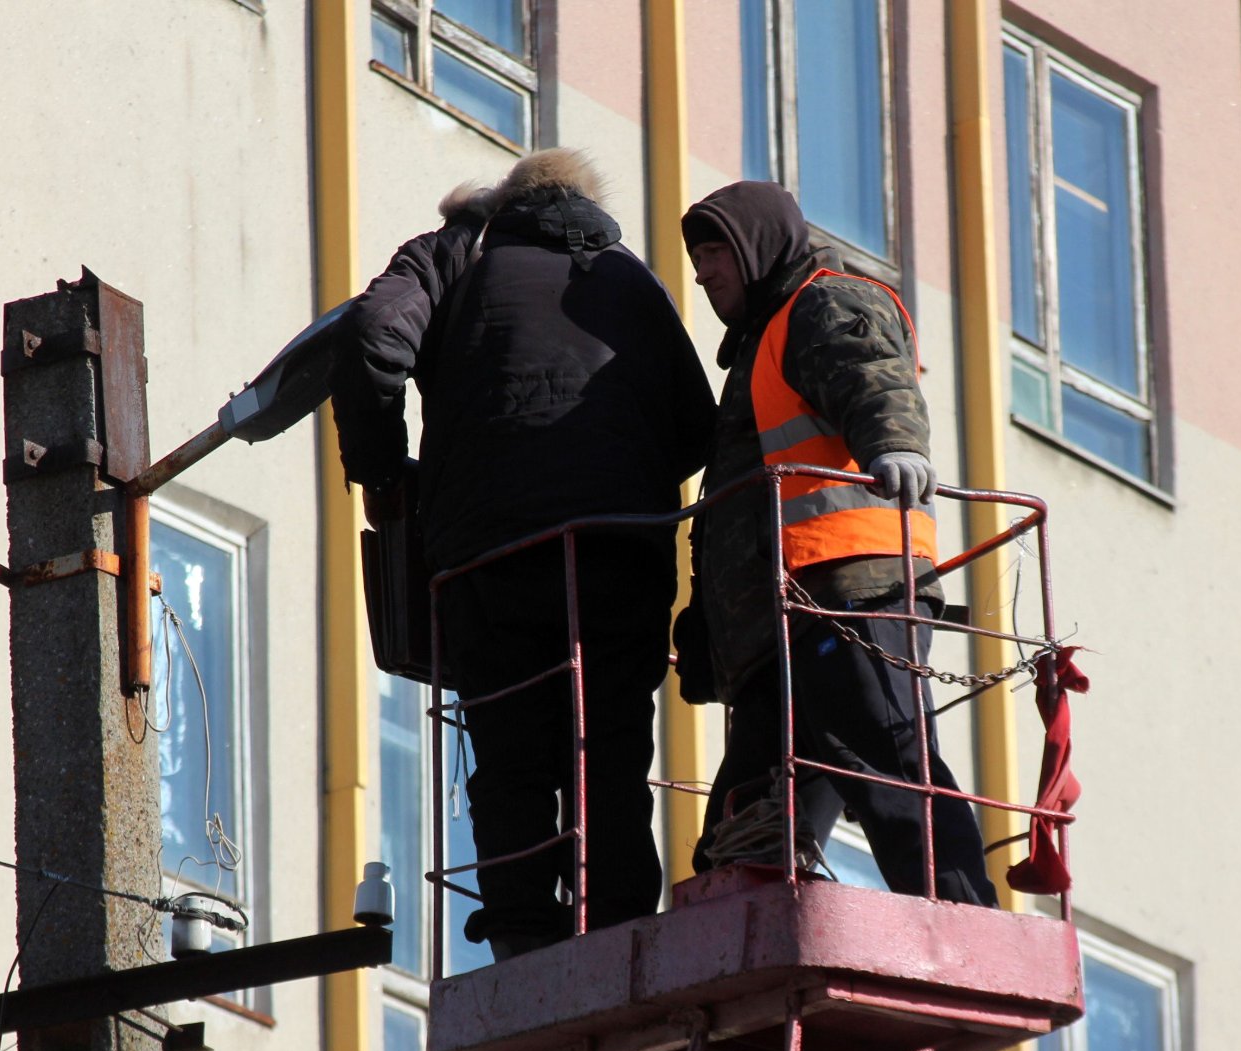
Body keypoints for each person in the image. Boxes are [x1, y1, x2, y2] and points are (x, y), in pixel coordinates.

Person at [330, 149, 715, 959]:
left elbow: (373, 334)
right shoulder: (632, 281)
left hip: (489, 557)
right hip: (619, 557)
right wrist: (615, 480)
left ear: (503, 202)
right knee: (609, 752)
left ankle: (520, 938)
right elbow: (695, 427)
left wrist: (382, 477)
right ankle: (617, 937)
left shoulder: (459, 256)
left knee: (507, 757)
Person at [676, 180, 996, 907]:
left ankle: (965, 919)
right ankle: (736, 954)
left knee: (890, 770)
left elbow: (873, 377)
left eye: (716, 251)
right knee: (741, 828)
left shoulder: (824, 302)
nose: (704, 273)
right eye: (697, 260)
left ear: (759, 244)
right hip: (786, 621)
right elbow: (737, 513)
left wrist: (895, 444)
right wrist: (713, 636)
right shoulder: (760, 346)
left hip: (848, 589)